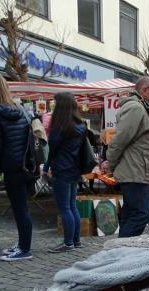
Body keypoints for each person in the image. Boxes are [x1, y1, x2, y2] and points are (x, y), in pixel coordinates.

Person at [0, 72, 35, 262]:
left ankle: (25, 249)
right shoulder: (19, 109)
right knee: (21, 207)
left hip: (10, 167)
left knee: (19, 208)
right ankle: (23, 244)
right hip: (24, 166)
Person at [106, 76, 149, 237]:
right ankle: (122, 248)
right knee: (141, 214)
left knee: (132, 213)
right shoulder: (136, 108)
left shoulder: (138, 108)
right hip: (135, 171)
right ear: (144, 90)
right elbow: (120, 139)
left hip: (137, 170)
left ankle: (123, 250)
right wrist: (111, 162)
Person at [43, 92, 86, 253]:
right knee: (72, 206)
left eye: (55, 103)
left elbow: (52, 148)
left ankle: (68, 243)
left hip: (61, 169)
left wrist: (46, 168)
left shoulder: (61, 126)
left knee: (65, 207)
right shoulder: (80, 125)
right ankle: (76, 240)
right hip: (74, 169)